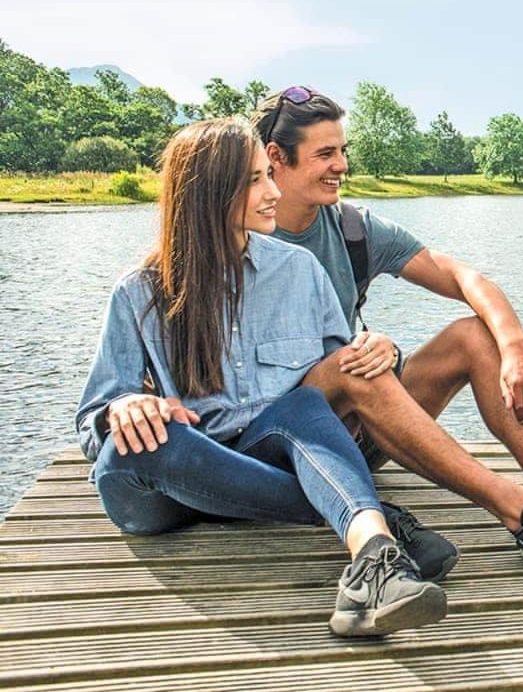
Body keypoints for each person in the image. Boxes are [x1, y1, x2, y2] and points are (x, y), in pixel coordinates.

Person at [250, 86, 523, 581]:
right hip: (286, 444)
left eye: (343, 151)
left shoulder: (353, 228)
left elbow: (464, 278)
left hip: (366, 424)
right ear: (276, 158)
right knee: (355, 364)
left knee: (473, 336)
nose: (342, 166)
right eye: (325, 154)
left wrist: (516, 347)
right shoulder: (239, 235)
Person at [76, 118, 446, 637]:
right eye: (254, 180)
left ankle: (375, 556)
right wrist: (123, 407)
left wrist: (380, 349)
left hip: (263, 454)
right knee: (135, 447)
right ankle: (372, 514)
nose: (274, 192)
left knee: (303, 407)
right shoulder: (138, 292)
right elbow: (92, 416)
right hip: (173, 487)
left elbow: (343, 382)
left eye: (268, 175)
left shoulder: (299, 270)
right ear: (208, 192)